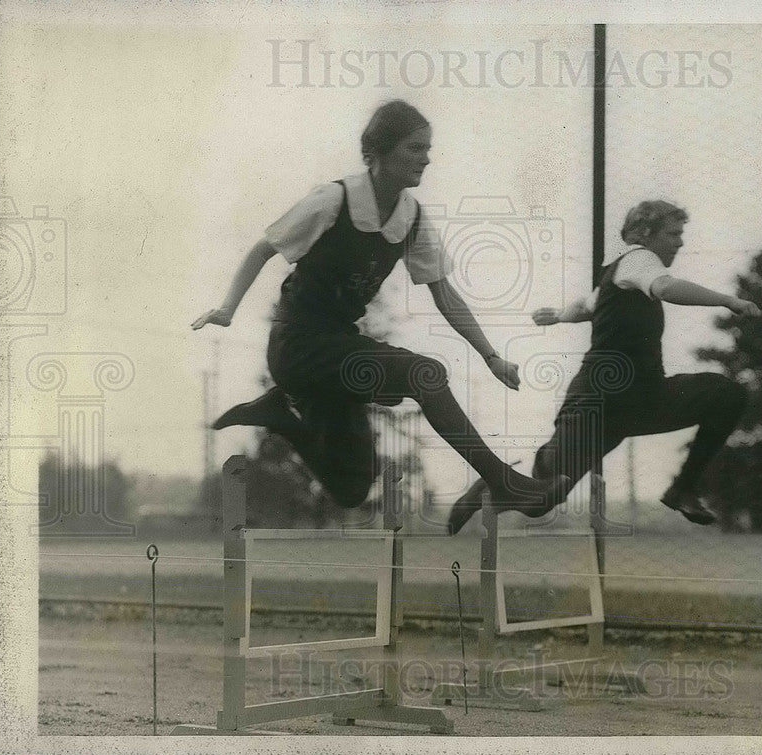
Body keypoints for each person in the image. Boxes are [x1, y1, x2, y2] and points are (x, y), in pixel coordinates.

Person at [192, 100, 566, 516]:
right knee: (426, 374)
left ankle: (281, 418)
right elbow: (263, 249)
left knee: (352, 487)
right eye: (415, 148)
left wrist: (491, 356)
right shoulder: (334, 199)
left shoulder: (412, 218)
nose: (426, 159)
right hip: (298, 347)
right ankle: (504, 485)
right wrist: (226, 309)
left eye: (428, 149)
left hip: (339, 350)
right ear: (377, 154)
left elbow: (445, 294)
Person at [447, 199, 761, 535]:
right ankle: (490, 484)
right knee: (541, 499)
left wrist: (559, 316)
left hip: (644, 397)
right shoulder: (639, 259)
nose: (680, 242)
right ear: (645, 233)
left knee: (727, 395)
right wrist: (728, 301)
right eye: (673, 234)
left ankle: (682, 489)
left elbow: (586, 305)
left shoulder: (624, 273)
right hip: (598, 403)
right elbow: (666, 287)